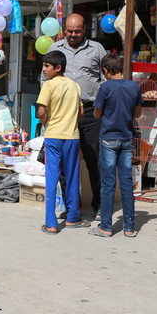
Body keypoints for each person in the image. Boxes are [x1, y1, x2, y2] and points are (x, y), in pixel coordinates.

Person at [41, 14, 106, 217]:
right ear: (64, 29)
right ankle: (71, 207)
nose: (73, 35)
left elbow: (105, 78)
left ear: (85, 28)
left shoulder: (97, 49)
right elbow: (45, 79)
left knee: (94, 158)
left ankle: (99, 204)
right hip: (62, 114)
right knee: (62, 163)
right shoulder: (55, 49)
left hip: (89, 111)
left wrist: (102, 105)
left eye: (77, 31)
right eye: (69, 31)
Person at [90, 53, 143, 238]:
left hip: (108, 139)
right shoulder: (134, 86)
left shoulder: (105, 87)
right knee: (127, 183)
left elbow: (97, 114)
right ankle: (129, 228)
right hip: (127, 139)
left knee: (108, 184)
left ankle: (105, 226)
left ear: (105, 70)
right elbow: (137, 113)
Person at [36, 50, 87, 234]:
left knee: (52, 178)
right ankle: (73, 217)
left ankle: (51, 223)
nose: (44, 69)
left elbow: (41, 112)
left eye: (47, 66)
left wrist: (47, 123)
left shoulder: (48, 86)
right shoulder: (75, 86)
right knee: (73, 177)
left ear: (58, 68)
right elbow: (81, 113)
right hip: (72, 137)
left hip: (53, 137)